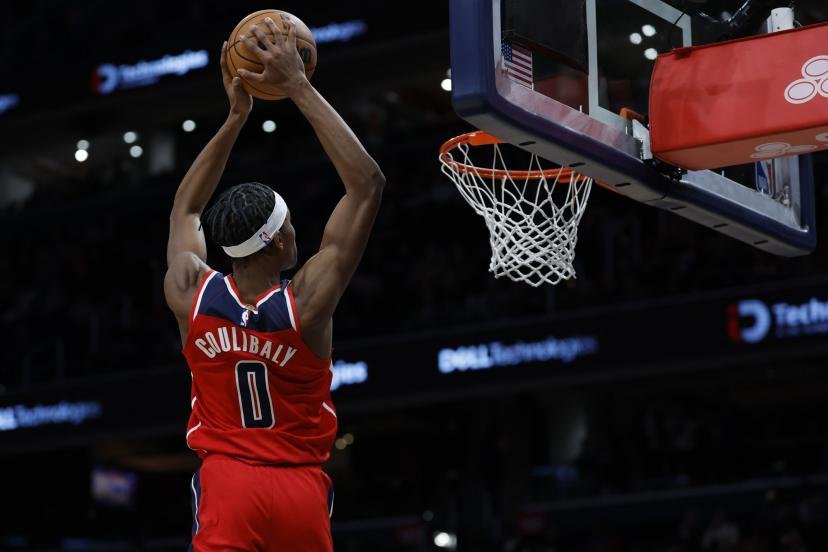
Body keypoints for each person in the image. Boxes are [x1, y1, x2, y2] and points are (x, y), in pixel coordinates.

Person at [163, 16, 384, 551]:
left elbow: (186, 208)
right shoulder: (307, 302)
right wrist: (298, 86)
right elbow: (366, 185)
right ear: (280, 241)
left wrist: (236, 117)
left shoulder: (190, 291)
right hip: (297, 486)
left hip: (228, 482)